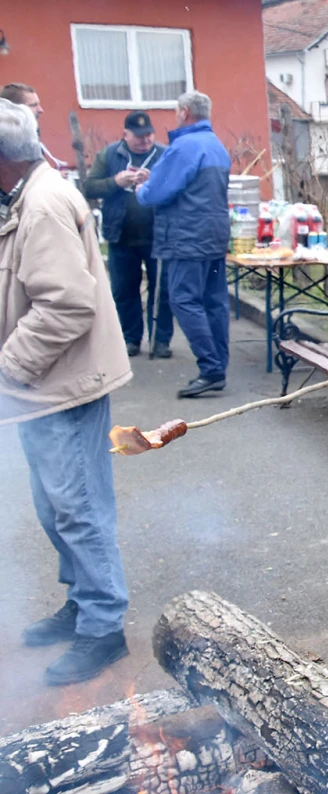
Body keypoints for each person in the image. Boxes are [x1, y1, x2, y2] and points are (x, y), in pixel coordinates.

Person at [0, 98, 133, 686]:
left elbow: (68, 303)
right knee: (57, 507)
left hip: (58, 385)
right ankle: (83, 601)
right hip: (40, 388)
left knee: (78, 510)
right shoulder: (22, 197)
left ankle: (104, 627)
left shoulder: (43, 205)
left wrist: (10, 366)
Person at [136, 91, 231, 398]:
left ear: (185, 112)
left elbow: (154, 194)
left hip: (187, 237)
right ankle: (219, 363)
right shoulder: (215, 145)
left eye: (177, 111)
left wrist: (141, 186)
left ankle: (210, 367)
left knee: (184, 300)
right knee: (214, 301)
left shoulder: (183, 147)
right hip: (215, 234)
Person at [84, 111, 173, 359]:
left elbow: (176, 187)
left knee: (162, 290)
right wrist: (116, 182)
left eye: (149, 135)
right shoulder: (109, 155)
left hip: (158, 235)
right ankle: (131, 338)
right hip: (121, 235)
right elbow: (89, 187)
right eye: (139, 137)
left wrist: (153, 181)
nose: (145, 141)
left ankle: (161, 340)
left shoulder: (164, 154)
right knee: (124, 291)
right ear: (125, 134)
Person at [0, 83, 69, 171]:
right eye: (33, 105)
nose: (41, 110)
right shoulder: (8, 143)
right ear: (15, 109)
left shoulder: (30, 137)